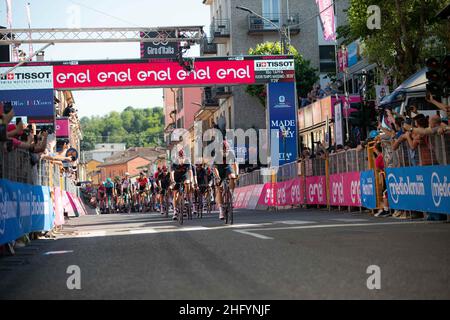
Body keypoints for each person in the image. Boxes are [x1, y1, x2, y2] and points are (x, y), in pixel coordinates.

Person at [213, 141, 239, 220]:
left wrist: (237, 174)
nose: (225, 151)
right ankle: (221, 209)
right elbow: (215, 168)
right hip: (219, 170)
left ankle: (231, 192)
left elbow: (235, 164)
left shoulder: (231, 153)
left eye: (226, 150)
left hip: (227, 167)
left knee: (232, 176)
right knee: (219, 189)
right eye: (223, 150)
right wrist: (217, 177)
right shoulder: (217, 155)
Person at [170, 149, 193, 220]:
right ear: (177, 157)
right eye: (180, 157)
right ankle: (175, 210)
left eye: (182, 157)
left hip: (184, 176)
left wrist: (191, 180)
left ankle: (185, 197)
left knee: (187, 183)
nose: (181, 159)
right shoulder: (174, 163)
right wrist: (173, 181)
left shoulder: (187, 161)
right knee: (175, 195)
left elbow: (190, 172)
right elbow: (172, 173)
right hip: (176, 178)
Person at [373, 143, 391, 217]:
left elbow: (377, 169)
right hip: (389, 173)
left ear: (377, 150)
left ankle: (386, 209)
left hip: (384, 175)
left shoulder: (379, 158)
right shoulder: (385, 155)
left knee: (384, 192)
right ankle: (386, 208)